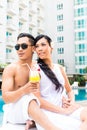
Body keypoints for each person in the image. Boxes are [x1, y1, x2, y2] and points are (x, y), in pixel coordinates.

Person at [1, 33, 62, 130]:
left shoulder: (38, 67)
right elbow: (6, 98)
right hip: (15, 111)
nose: (20, 49)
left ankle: (33, 122)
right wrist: (24, 90)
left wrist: (63, 99)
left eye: (24, 46)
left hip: (34, 110)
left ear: (33, 49)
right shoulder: (11, 68)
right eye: (17, 47)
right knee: (28, 99)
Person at [33, 34, 87, 130]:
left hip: (65, 108)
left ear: (51, 46)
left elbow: (69, 91)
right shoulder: (35, 70)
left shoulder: (60, 68)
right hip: (48, 113)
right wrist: (63, 111)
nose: (40, 49)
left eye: (43, 44)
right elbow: (38, 100)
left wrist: (71, 103)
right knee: (77, 126)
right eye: (37, 46)